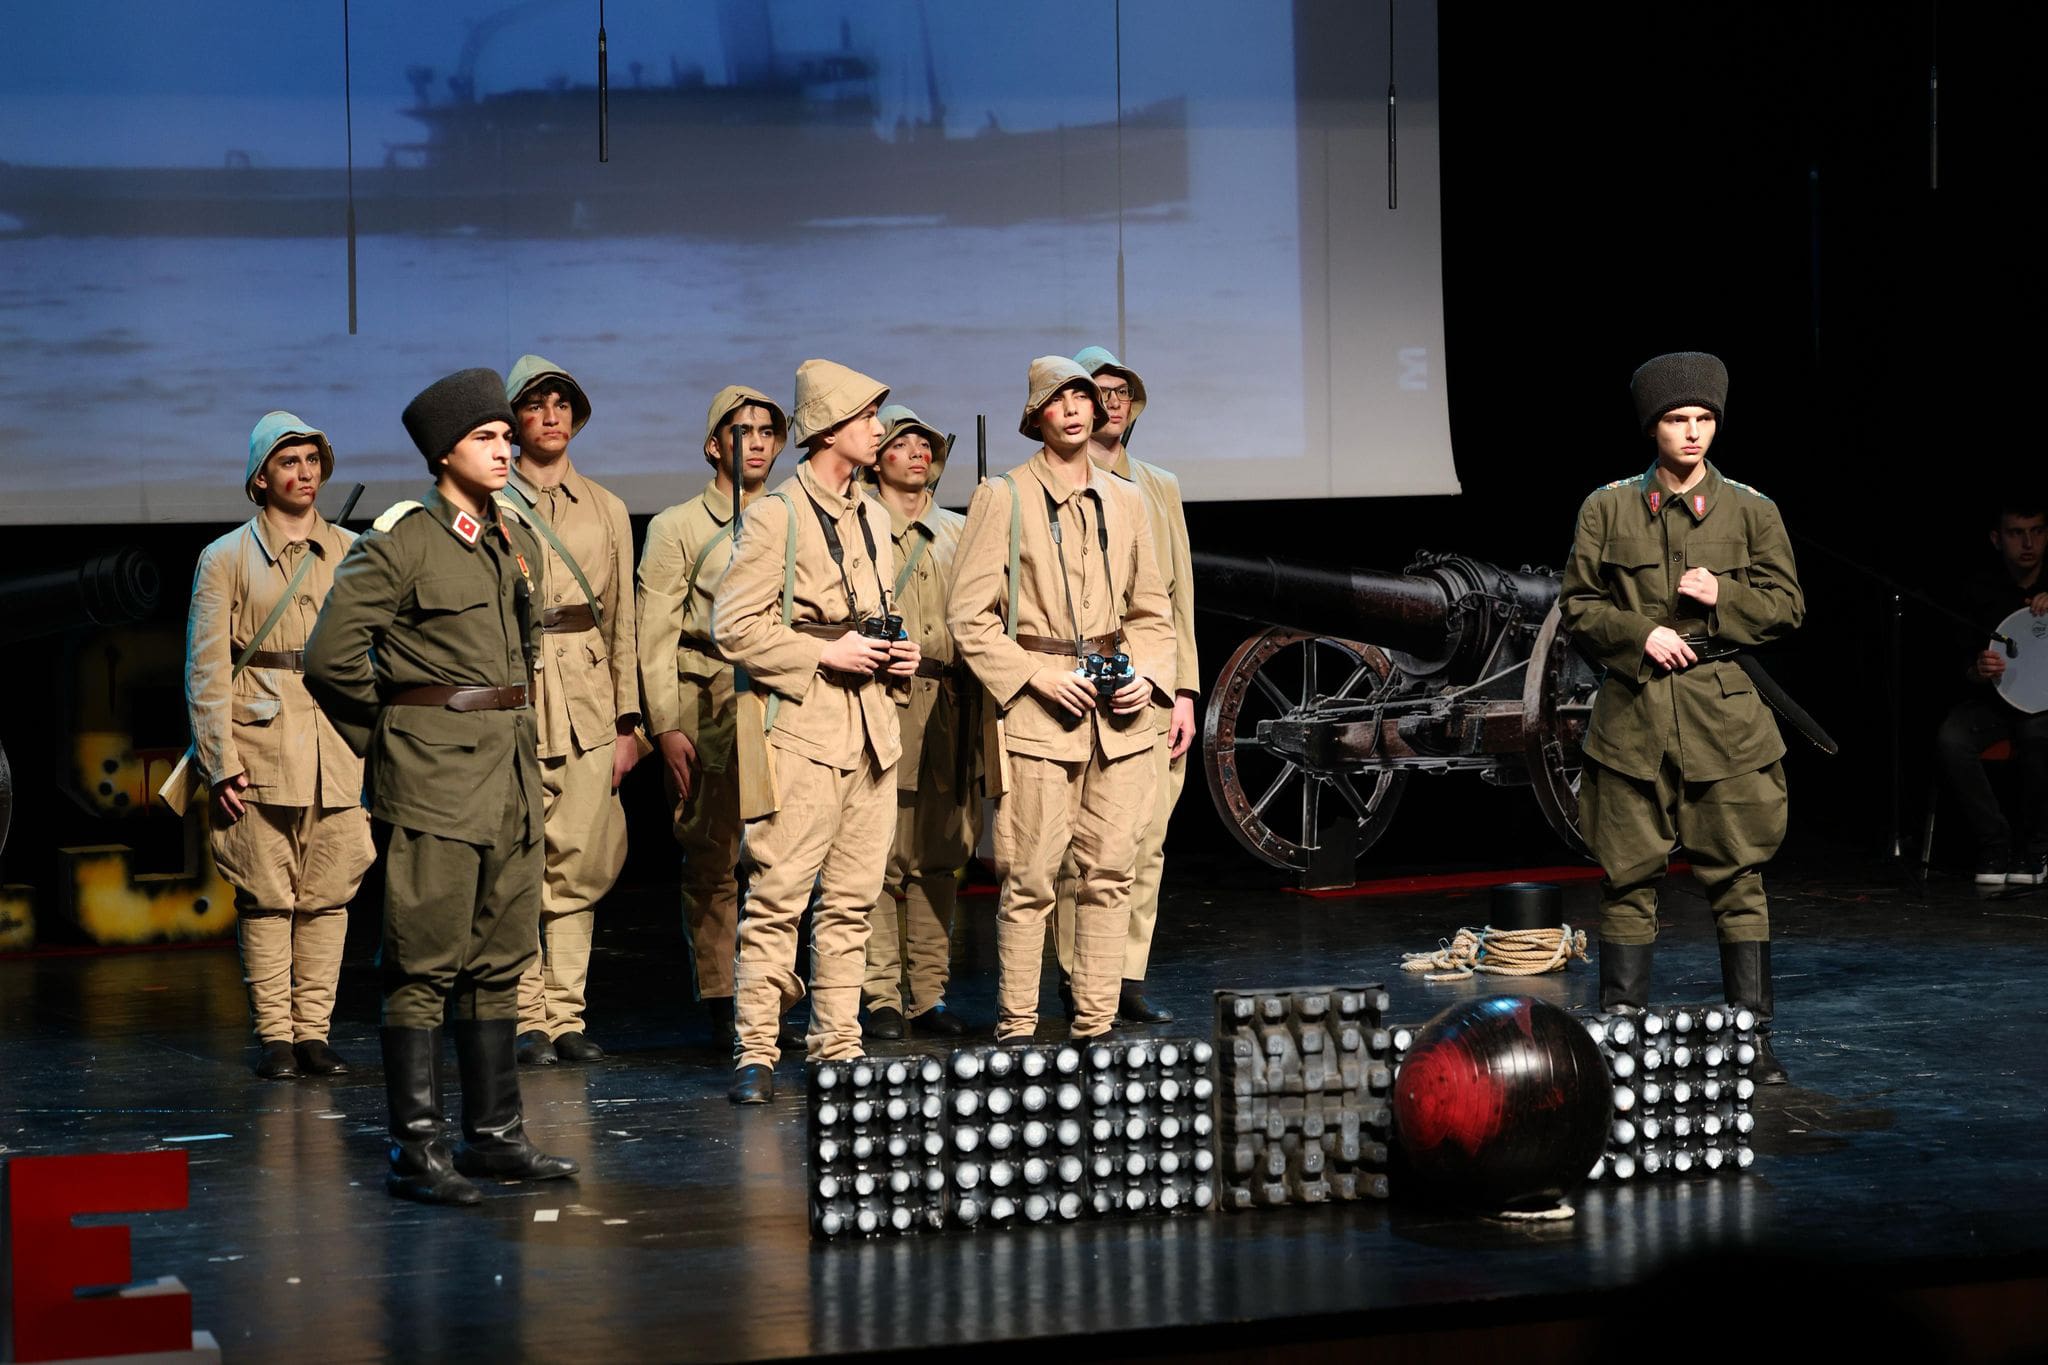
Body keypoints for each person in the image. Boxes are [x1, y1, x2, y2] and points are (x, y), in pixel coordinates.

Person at [305, 367, 577, 1205]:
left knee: (501, 960)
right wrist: (394, 739)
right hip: (436, 783)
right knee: (423, 965)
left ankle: (494, 1136)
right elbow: (330, 657)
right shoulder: (406, 542)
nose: (506, 449)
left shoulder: (512, 541)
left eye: (507, 437)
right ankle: (415, 1149)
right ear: (444, 452)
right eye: (487, 439)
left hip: (508, 778)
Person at [1560, 351, 1804, 1084]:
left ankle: (1751, 1036)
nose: (1692, 433)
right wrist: (1641, 635)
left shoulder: (1753, 509)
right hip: (1634, 718)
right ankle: (1623, 1031)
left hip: (1723, 721)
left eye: (1703, 419)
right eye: (1676, 420)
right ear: (1652, 427)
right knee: (1627, 879)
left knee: (1738, 878)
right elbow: (1578, 606)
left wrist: (1724, 597)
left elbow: (1788, 606)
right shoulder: (1607, 507)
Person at [947, 357, 1174, 1043]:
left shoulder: (1127, 500)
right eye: (1058, 399)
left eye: (1082, 396)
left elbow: (1152, 609)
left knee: (1109, 873)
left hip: (1120, 717)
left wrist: (1146, 673)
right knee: (1030, 880)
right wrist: (1035, 678)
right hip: (1040, 716)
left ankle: (1095, 1025)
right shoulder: (1004, 497)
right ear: (1037, 416)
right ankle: (1017, 1028)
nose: (1075, 408)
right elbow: (968, 616)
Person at [711, 360, 919, 1103]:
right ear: (831, 427)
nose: (879, 429)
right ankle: (757, 1051)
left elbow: (873, 609)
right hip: (803, 729)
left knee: (855, 900)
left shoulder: (872, 515)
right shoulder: (778, 515)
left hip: (871, 728)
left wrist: (901, 650)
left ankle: (839, 1043)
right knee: (779, 896)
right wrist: (820, 651)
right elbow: (731, 626)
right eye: (867, 418)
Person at [181, 412, 374, 1079]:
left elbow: (372, 648)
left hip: (335, 742)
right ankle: (274, 1035)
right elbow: (206, 668)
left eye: (312, 459)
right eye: (288, 461)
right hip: (258, 741)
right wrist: (219, 760)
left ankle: (314, 1032)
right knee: (266, 895)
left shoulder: (352, 550)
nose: (304, 472)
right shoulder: (226, 558)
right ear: (260, 477)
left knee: (328, 894)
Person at [499, 355, 642, 1066]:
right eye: (535, 403)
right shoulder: (491, 503)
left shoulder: (608, 507)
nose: (551, 414)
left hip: (587, 699)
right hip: (518, 694)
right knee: (520, 856)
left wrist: (629, 721)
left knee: (580, 858)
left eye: (562, 403)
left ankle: (567, 1013)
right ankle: (526, 1012)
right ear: (514, 419)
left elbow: (623, 621)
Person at [637, 385, 788, 1048]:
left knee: (783, 857)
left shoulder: (793, 516)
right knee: (713, 856)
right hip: (709, 700)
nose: (756, 441)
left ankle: (772, 992)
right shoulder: (677, 526)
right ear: (712, 444)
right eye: (742, 429)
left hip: (783, 701)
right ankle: (723, 994)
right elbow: (654, 632)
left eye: (766, 431)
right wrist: (665, 724)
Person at [1049, 347, 1196, 1025]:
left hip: (1151, 683)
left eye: (1120, 392)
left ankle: (1124, 975)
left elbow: (1175, 599)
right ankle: (1077, 973)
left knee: (1145, 839)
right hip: (1076, 680)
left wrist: (1185, 691)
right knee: (1076, 844)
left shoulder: (1157, 485)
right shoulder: (1051, 483)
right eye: (1096, 390)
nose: (1110, 402)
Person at [859, 404, 977, 1041]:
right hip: (883, 700)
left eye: (925, 444)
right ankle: (879, 994)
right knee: (876, 859)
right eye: (902, 443)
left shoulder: (959, 531)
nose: (917, 453)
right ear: (877, 457)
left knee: (940, 856)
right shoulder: (859, 527)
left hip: (950, 709)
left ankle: (926, 995)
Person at [1936, 502, 2048, 885]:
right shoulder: (1976, 590)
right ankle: (1995, 843)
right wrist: (1977, 669)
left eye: (2037, 531)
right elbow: (1958, 664)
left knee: (2037, 736)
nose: (2028, 542)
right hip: (1994, 703)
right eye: (2017, 533)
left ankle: (2036, 850)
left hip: (2044, 709)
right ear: (1997, 539)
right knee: (1952, 738)